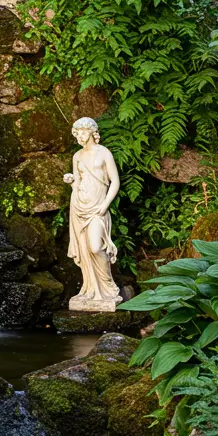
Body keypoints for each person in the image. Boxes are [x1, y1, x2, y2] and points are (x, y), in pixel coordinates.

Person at [63, 117, 121, 306]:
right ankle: (90, 289)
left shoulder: (103, 153)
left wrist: (105, 205)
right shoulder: (77, 156)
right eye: (77, 132)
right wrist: (72, 181)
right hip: (79, 205)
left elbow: (115, 182)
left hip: (97, 207)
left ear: (91, 131)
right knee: (86, 249)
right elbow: (78, 185)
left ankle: (107, 286)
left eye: (82, 131)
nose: (79, 135)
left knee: (96, 247)